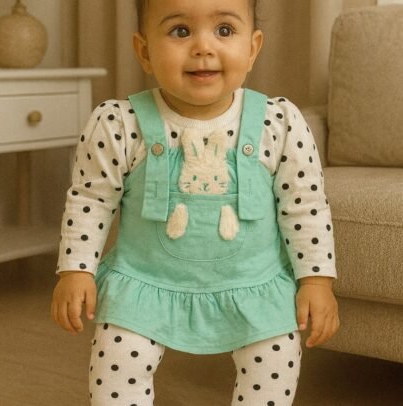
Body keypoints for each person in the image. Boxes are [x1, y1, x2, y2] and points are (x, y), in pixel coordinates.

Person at [51, 0, 340, 405]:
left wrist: (316, 280)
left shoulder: (279, 123)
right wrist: (76, 270)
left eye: (224, 30)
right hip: (145, 284)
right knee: (117, 365)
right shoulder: (120, 123)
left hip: (254, 287)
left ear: (252, 48)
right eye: (180, 31)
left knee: (274, 361)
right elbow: (90, 200)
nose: (203, 47)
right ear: (145, 51)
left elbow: (305, 206)